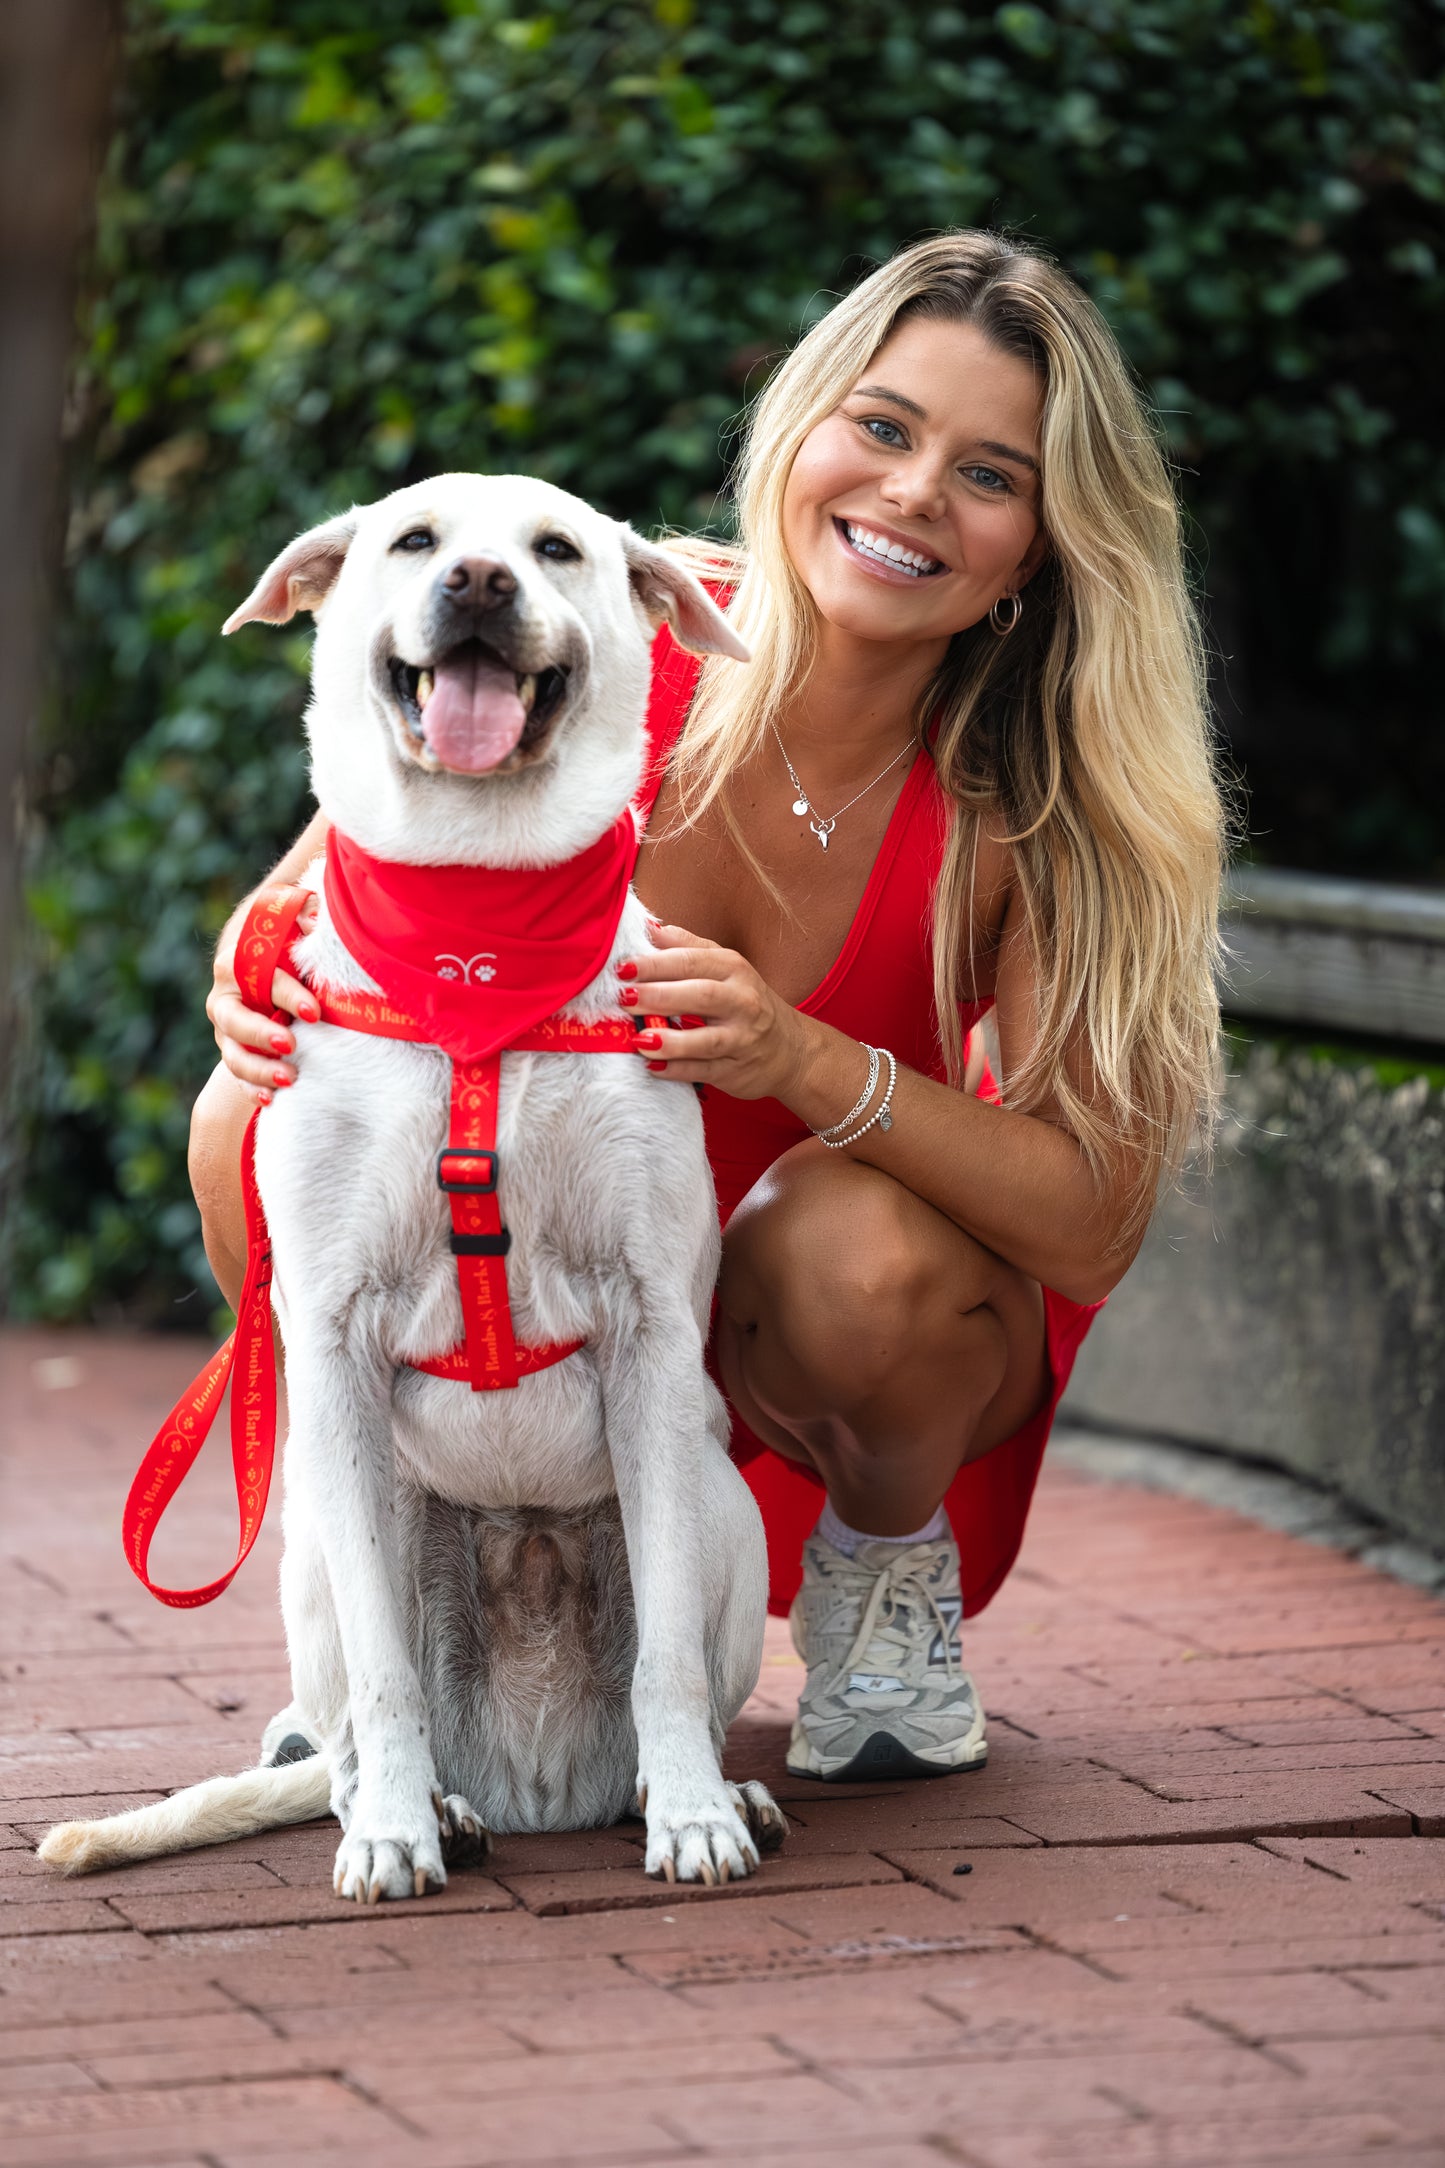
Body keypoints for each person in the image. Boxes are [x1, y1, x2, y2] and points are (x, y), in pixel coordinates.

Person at [190, 230, 1224, 1786]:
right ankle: (404, 1605)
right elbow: (311, 903)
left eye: (988, 474)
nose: (911, 494)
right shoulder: (609, 638)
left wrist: (797, 1057)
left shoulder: (1049, 803)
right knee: (251, 1120)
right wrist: (246, 968)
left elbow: (1089, 1226)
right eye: (880, 427)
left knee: (834, 1244)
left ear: (1044, 547)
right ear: (803, 430)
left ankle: (882, 1587)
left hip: (845, 1351)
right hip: (536, 1306)